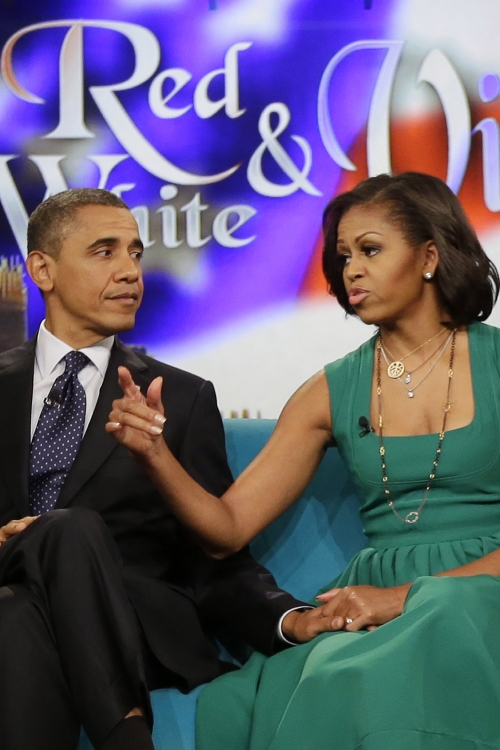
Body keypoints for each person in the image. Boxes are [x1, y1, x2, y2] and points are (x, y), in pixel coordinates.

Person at [107, 171, 500, 749]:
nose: (352, 270)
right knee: (342, 674)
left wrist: (406, 598)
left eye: (370, 250)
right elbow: (227, 529)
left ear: (429, 257)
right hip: (368, 601)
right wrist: (156, 456)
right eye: (344, 256)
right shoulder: (329, 390)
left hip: (483, 586)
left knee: (434, 629)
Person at [0, 188, 334, 750]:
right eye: (105, 251)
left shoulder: (179, 398)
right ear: (42, 269)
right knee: (41, 569)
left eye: (135, 253)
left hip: (129, 620)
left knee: (41, 576)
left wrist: (288, 619)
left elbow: (216, 558)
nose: (131, 271)